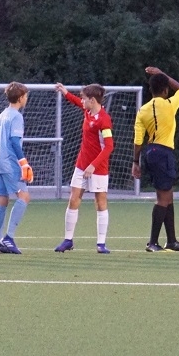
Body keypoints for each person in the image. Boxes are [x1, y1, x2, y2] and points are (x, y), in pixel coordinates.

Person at [131, 66, 179, 252]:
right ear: (165, 90)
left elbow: (138, 140)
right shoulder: (169, 104)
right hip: (163, 152)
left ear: (150, 90)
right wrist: (161, 73)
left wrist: (135, 162)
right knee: (163, 199)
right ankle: (152, 242)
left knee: (168, 197)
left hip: (151, 152)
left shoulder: (143, 110)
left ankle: (172, 241)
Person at [53, 83, 115, 254]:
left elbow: (109, 146)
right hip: (81, 166)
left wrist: (93, 165)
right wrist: (65, 92)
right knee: (73, 199)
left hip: (98, 168)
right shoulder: (87, 111)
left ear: (92, 100)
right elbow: (75, 101)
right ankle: (68, 240)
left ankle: (101, 243)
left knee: (100, 202)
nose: (82, 101)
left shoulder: (104, 120)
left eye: (84, 98)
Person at [0, 82, 31, 255]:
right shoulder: (16, 116)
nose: (26, 98)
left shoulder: (2, 115)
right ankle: (9, 238)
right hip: (9, 162)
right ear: (20, 98)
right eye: (25, 96)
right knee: (24, 196)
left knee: (2, 199)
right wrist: (23, 162)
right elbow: (14, 141)